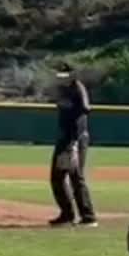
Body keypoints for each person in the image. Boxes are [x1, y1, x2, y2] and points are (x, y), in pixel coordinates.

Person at [48, 68, 96, 227]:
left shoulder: (77, 87)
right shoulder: (62, 89)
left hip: (76, 138)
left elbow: (86, 108)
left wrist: (75, 142)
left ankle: (88, 217)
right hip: (65, 138)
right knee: (57, 177)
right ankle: (67, 215)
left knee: (76, 176)